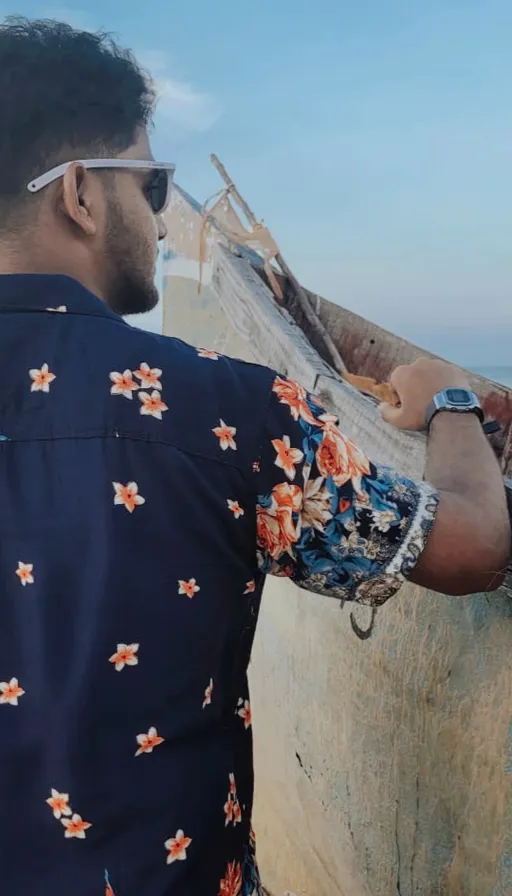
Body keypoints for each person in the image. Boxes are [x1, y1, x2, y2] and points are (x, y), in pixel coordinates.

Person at [0, 16, 508, 896]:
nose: (161, 219)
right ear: (80, 194)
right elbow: (469, 547)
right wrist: (452, 403)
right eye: (152, 184)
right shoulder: (220, 407)